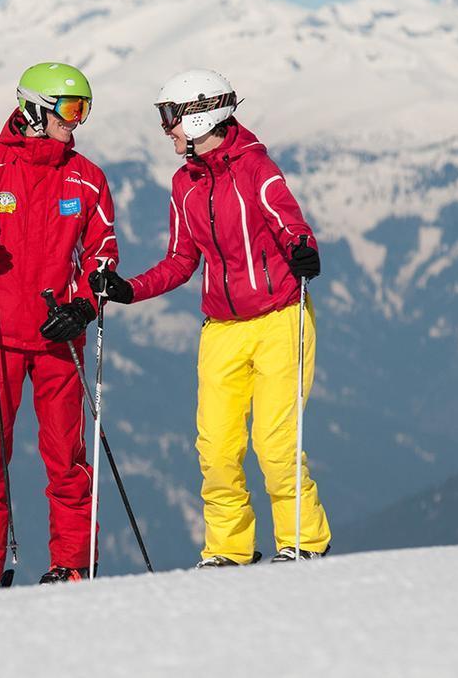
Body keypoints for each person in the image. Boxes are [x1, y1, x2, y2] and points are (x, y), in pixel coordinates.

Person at [92, 69, 330, 567]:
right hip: (220, 330)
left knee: (275, 443)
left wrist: (303, 249)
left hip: (280, 320)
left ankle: (303, 541)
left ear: (200, 116)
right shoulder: (185, 185)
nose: (168, 131)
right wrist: (128, 290)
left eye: (170, 119)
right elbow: (182, 260)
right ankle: (228, 550)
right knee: (217, 450)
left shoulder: (257, 170)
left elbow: (291, 224)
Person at [0, 62, 118, 590]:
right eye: (72, 110)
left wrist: (83, 306)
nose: (78, 123)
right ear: (36, 108)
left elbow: (103, 256)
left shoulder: (88, 178)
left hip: (59, 340)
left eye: (85, 111)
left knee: (67, 458)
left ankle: (73, 566)